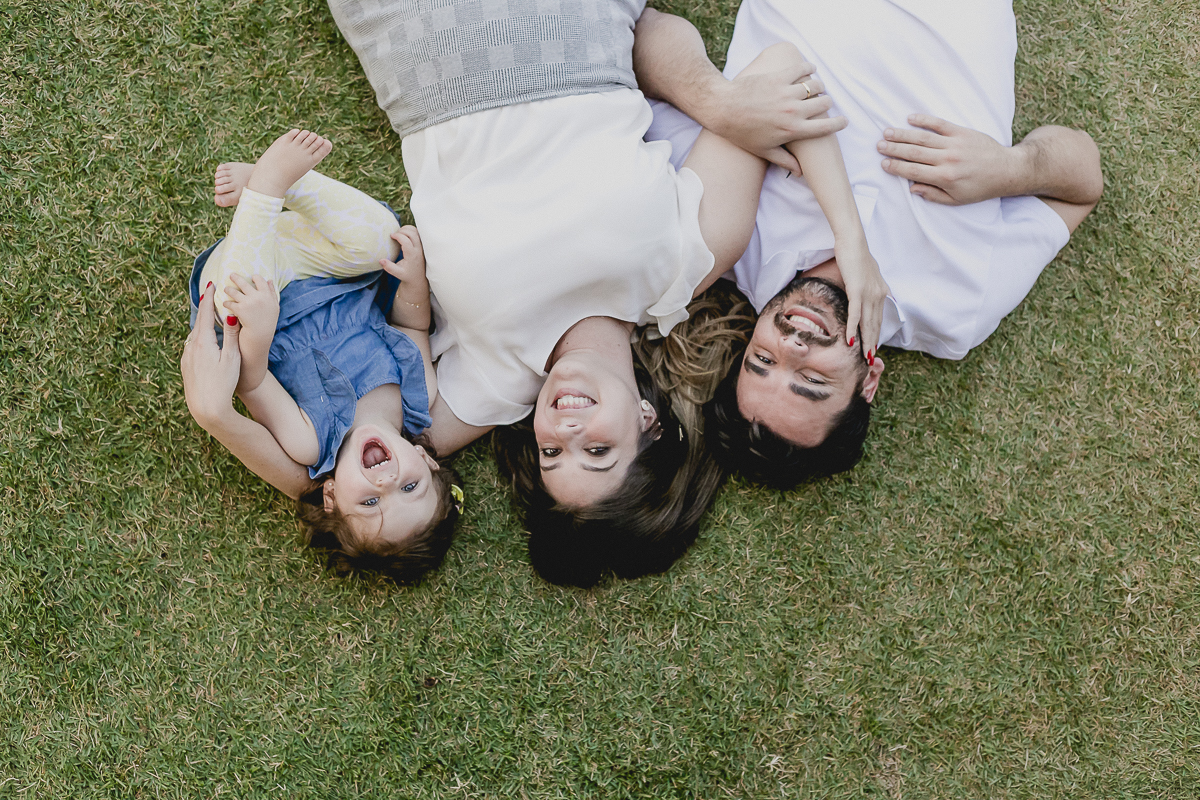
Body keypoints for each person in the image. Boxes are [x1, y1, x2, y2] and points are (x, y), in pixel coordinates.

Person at [326, 0, 886, 583]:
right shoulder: (686, 263)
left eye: (550, 453)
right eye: (597, 452)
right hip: (572, 25)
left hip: (419, 39)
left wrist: (312, 480)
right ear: (648, 422)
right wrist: (852, 242)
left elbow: (358, 455)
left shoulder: (494, 381)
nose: (564, 432)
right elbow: (780, 70)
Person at [635, 0, 1104, 488]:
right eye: (811, 380)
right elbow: (1084, 180)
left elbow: (636, 52)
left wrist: (718, 104)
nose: (792, 345)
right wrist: (1011, 169)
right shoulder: (958, 309)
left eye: (763, 361)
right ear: (869, 381)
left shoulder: (727, 235)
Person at [181, 129, 462, 584]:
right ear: (427, 461)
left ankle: (265, 190)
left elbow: (252, 381)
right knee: (383, 242)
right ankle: (294, 185)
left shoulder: (308, 442)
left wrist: (260, 327)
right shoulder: (418, 396)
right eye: (410, 486)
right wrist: (413, 281)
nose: (386, 482)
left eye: (369, 502)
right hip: (328, 270)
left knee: (232, 306)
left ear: (330, 497)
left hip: (264, 294)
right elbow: (411, 325)